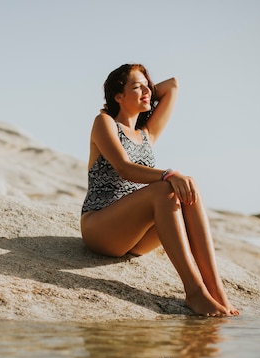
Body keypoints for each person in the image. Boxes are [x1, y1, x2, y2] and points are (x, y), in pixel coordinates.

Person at [80, 64, 238, 316]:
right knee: (165, 188)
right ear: (118, 97)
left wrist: (142, 85)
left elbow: (172, 84)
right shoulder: (105, 123)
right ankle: (195, 292)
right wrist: (168, 174)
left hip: (134, 237)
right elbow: (124, 168)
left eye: (148, 86)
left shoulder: (146, 134)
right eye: (136, 87)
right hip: (101, 227)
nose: (147, 91)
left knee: (189, 184)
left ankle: (216, 290)